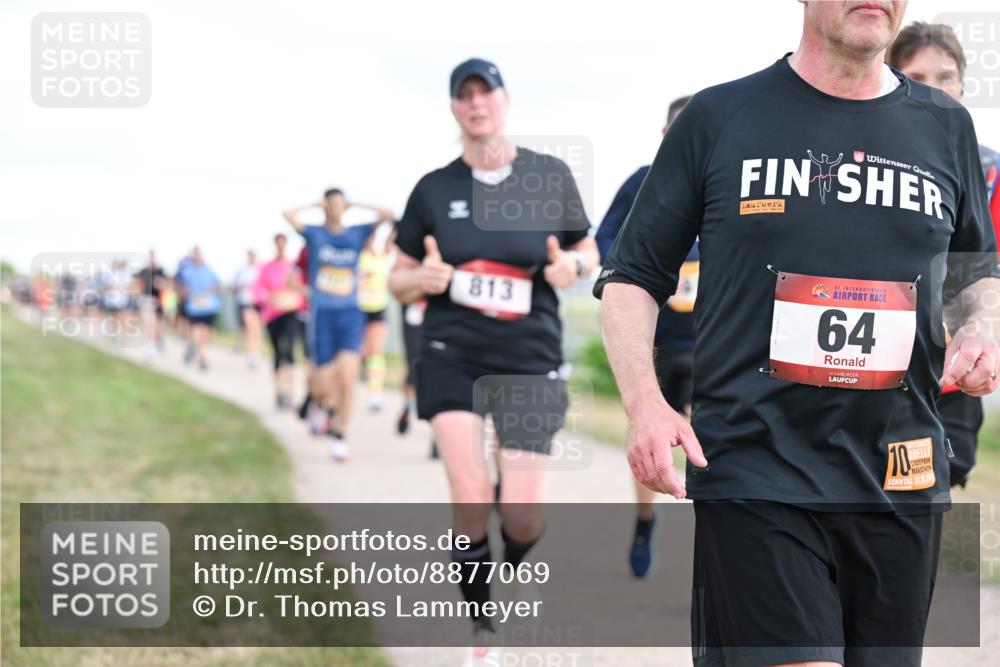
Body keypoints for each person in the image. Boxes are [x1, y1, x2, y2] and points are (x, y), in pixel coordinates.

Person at [594, 3, 1000, 666]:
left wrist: (981, 328)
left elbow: (976, 271)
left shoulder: (945, 125)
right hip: (757, 467)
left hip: (900, 476)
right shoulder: (720, 116)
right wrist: (644, 401)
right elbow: (632, 276)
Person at [389, 58, 598, 662]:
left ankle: (512, 554)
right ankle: (483, 628)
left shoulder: (548, 175)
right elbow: (396, 278)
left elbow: (587, 247)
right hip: (450, 354)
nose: (476, 103)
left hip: (529, 357)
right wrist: (421, 280)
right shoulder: (433, 189)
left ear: (505, 100)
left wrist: (573, 266)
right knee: (471, 494)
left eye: (486, 92)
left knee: (523, 517)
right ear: (454, 108)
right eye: (465, 95)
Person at [887, 21, 1000, 489]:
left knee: (942, 494)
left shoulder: (990, 172)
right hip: (878, 374)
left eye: (946, 77)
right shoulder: (866, 159)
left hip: (955, 379)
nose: (933, 90)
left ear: (963, 84)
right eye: (916, 77)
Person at [595, 95, 693, 579]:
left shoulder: (731, 181)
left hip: (710, 342)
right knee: (653, 442)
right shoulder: (641, 182)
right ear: (664, 136)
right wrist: (647, 271)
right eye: (678, 132)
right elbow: (604, 240)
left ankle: (715, 544)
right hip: (657, 339)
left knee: (712, 443)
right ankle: (644, 520)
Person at [283, 189, 394, 462]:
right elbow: (288, 214)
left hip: (349, 313)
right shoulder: (315, 234)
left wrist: (354, 203)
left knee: (347, 378)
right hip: (322, 315)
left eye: (338, 204)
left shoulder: (356, 233)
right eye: (330, 204)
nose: (334, 207)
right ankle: (321, 405)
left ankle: (340, 435)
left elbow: (388, 214)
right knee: (323, 383)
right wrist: (315, 204)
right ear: (324, 206)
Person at [254, 233, 306, 410]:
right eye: (278, 243)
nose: (281, 246)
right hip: (272, 314)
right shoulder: (266, 267)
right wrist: (267, 298)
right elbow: (258, 289)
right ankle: (279, 391)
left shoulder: (293, 266)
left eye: (283, 243)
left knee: (289, 349)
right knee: (277, 352)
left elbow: (301, 287)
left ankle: (291, 392)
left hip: (290, 311)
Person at [357, 227, 394, 412]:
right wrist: (362, 278)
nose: (371, 241)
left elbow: (392, 242)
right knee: (359, 353)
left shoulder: (383, 257)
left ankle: (375, 394)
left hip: (379, 308)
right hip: (359, 309)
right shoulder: (358, 257)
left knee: (376, 353)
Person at [178, 246, 221, 371]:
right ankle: (201, 357)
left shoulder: (209, 270)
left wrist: (211, 288)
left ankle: (198, 350)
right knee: (196, 330)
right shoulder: (187, 271)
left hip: (208, 306)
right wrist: (186, 292)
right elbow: (180, 286)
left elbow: (217, 285)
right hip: (194, 306)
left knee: (205, 332)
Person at [233, 249, 263, 369]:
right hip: (245, 302)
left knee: (256, 329)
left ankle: (255, 352)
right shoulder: (242, 271)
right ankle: (252, 352)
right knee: (249, 327)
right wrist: (240, 287)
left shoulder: (260, 269)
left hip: (258, 302)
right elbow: (234, 286)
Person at [135, 249, 167, 357]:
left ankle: (156, 340)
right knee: (149, 322)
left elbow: (165, 285)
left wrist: (160, 284)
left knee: (158, 325)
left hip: (158, 300)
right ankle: (150, 345)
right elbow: (138, 284)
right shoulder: (143, 271)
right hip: (146, 299)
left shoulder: (160, 271)